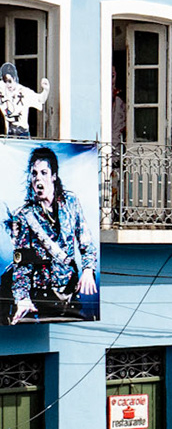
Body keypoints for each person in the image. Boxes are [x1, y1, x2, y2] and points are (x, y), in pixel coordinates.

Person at [10, 146, 98, 323]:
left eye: (43, 172)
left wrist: (88, 269)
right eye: (34, 174)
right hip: (43, 297)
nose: (38, 179)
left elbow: (86, 242)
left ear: (54, 176)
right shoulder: (24, 216)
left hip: (71, 294)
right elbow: (22, 265)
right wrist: (22, 298)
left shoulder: (71, 202)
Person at [0, 63, 49, 139]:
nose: (8, 85)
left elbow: (40, 100)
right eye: (5, 81)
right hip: (9, 133)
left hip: (22, 133)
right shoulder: (2, 88)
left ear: (15, 78)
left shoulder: (24, 92)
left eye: (10, 81)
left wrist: (46, 90)